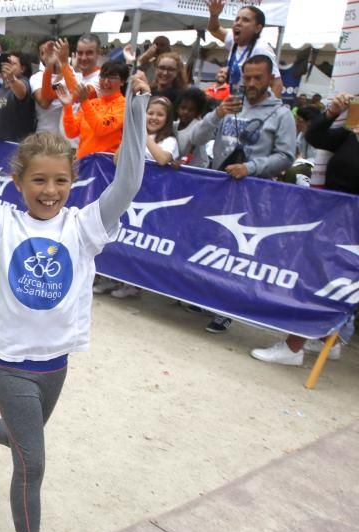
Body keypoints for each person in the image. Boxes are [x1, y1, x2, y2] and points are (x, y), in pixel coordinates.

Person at [0, 71, 151, 532]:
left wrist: (136, 110)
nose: (50, 191)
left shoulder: (83, 227)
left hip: (55, 365)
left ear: (72, 182)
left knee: (18, 439)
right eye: (38, 181)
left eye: (60, 181)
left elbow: (126, 183)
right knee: (33, 461)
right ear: (18, 183)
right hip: (8, 364)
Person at [189, 54, 294, 334]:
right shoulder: (230, 106)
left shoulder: (281, 114)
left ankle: (225, 309)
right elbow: (197, 139)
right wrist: (217, 114)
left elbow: (286, 156)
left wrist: (251, 167)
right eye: (246, 77)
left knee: (237, 252)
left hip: (253, 192)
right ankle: (204, 297)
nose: (251, 83)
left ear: (270, 78)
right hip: (219, 187)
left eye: (257, 78)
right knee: (211, 244)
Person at [250, 91, 357, 365]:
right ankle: (327, 339)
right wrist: (332, 112)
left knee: (317, 280)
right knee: (322, 277)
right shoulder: (351, 135)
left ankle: (293, 347)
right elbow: (315, 137)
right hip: (332, 217)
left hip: (351, 225)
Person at [106, 96, 179, 300]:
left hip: (152, 198)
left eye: (160, 114)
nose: (154, 117)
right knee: (121, 236)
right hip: (130, 194)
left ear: (168, 118)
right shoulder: (134, 134)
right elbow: (116, 159)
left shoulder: (169, 140)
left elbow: (163, 158)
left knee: (140, 239)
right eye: (150, 113)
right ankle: (113, 277)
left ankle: (134, 284)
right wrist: (131, 135)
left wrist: (143, 134)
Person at [207, 0, 282, 97]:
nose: (238, 23)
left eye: (245, 20)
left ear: (257, 28)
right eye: (237, 19)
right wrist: (214, 15)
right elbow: (214, 29)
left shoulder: (261, 49)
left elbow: (277, 84)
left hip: (254, 105)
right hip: (235, 101)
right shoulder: (233, 41)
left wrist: (267, 110)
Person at [58, 59, 129, 159]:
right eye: (103, 76)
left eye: (112, 78)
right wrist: (67, 107)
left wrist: (84, 102)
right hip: (83, 163)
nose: (106, 82)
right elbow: (71, 132)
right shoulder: (92, 103)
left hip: (105, 167)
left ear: (122, 81)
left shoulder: (124, 106)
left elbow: (101, 128)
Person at [0, 51, 35, 143]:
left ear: (22, 68)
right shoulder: (3, 87)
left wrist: (11, 78)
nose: (8, 66)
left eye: (12, 64)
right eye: (7, 63)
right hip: (0, 145)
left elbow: (21, 92)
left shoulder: (24, 82)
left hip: (17, 146)